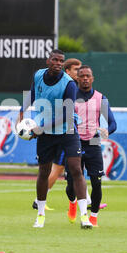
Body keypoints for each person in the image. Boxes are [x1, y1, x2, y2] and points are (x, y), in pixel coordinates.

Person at [19, 49, 93, 229]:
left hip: (67, 130)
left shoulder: (69, 84)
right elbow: (33, 94)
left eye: (61, 61)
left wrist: (40, 128)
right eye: (56, 60)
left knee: (76, 169)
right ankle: (41, 215)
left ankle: (84, 216)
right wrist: (22, 111)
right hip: (45, 134)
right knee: (44, 171)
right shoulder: (38, 75)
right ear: (48, 61)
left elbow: (68, 114)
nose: (59, 63)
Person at [65, 65, 117, 227]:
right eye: (82, 76)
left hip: (94, 141)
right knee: (71, 184)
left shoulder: (101, 98)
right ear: (77, 79)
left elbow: (113, 123)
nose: (85, 78)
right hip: (75, 141)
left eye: (88, 76)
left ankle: (93, 217)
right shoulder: (71, 97)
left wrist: (107, 131)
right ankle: (73, 202)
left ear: (92, 78)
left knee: (96, 181)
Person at [31, 58, 83, 211]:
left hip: (71, 130)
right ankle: (39, 199)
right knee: (59, 167)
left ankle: (83, 201)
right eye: (76, 70)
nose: (79, 73)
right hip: (60, 131)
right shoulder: (66, 85)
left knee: (75, 169)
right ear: (67, 71)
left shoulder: (74, 86)